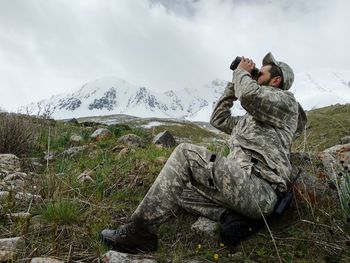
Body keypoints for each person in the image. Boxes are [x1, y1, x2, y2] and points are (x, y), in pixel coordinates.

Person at [101, 52, 307, 253]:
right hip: (240, 187)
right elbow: (219, 119)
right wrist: (233, 85)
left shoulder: (287, 103)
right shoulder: (252, 120)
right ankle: (231, 217)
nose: (254, 75)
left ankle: (140, 232)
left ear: (275, 80)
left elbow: (250, 95)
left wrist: (242, 73)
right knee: (175, 187)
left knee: (185, 153)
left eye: (259, 74)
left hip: (260, 189)